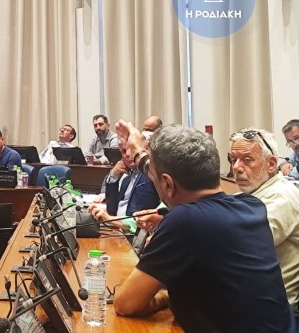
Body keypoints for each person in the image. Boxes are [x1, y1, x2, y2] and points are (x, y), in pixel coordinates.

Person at [112, 123, 295, 332]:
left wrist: (164, 297)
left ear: (168, 184)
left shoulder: (183, 221)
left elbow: (126, 304)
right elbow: (161, 177)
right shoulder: (252, 206)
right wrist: (139, 153)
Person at [229, 127, 299, 307]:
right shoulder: (250, 193)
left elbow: (239, 246)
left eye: (247, 160)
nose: (236, 167)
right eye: (233, 159)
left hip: (273, 311)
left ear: (271, 164)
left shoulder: (282, 197)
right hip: (249, 299)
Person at [87, 139, 159, 233]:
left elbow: (140, 221)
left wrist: (109, 218)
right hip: (118, 228)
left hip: (136, 233)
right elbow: (112, 209)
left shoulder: (150, 176)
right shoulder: (126, 179)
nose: (127, 154)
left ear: (145, 150)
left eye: (131, 150)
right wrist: (113, 176)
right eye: (123, 151)